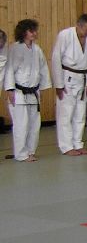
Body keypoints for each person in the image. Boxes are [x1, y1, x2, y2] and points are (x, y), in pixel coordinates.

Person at [4, 19, 51, 162]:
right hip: (18, 92)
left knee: (34, 125)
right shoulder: (15, 48)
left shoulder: (37, 49)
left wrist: (43, 88)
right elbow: (9, 70)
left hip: (33, 92)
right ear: (23, 32)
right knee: (21, 125)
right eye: (32, 31)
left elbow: (43, 68)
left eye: (35, 30)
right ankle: (21, 154)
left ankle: (30, 151)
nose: (35, 33)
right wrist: (10, 89)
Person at [52, 13, 87, 156]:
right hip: (67, 79)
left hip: (83, 79)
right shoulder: (65, 35)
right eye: (86, 29)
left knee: (80, 115)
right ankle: (66, 146)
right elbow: (56, 59)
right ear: (78, 25)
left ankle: (78, 144)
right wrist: (58, 84)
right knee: (66, 114)